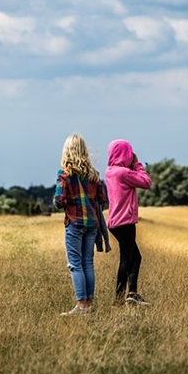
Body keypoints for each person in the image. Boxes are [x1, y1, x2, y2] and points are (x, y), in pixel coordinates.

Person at [54, 134, 106, 316]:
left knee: (75, 264)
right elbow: (102, 200)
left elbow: (59, 201)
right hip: (92, 224)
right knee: (88, 263)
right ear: (84, 151)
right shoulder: (94, 175)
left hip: (74, 223)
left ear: (67, 151)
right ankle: (89, 304)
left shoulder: (64, 174)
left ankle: (81, 306)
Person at [105, 139, 152, 306]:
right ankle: (120, 298)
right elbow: (146, 182)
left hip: (114, 222)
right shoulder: (123, 173)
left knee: (134, 257)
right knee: (127, 258)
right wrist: (137, 164)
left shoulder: (110, 171)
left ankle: (131, 293)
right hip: (125, 221)